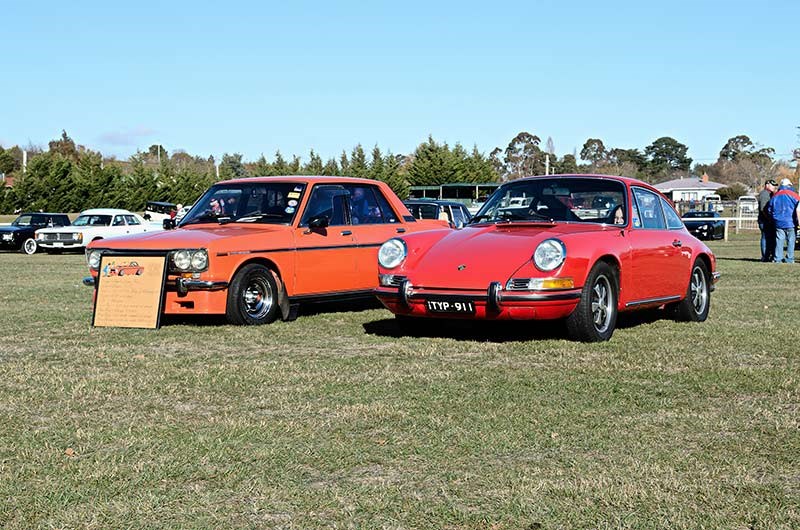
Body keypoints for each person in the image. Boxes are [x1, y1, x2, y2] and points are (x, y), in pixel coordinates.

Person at [767, 178, 800, 263]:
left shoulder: (775, 195)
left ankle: (778, 258)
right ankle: (789, 258)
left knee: (779, 240)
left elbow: (770, 209)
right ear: (789, 185)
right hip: (791, 222)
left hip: (778, 222)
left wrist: (774, 218)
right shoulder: (794, 195)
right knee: (791, 241)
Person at [757, 179, 777, 262]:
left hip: (768, 220)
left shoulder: (770, 194)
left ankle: (768, 255)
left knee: (769, 238)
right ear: (767, 185)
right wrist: (769, 218)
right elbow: (763, 209)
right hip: (765, 221)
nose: (774, 187)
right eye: (773, 185)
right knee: (765, 238)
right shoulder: (765, 194)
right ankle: (765, 256)